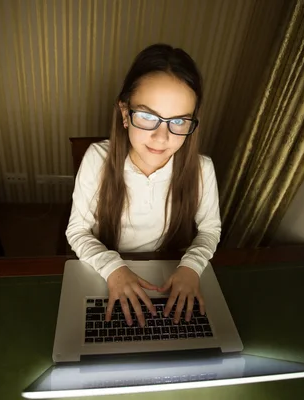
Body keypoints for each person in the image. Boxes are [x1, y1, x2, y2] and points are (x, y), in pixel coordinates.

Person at [66, 44, 221, 330]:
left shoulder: (202, 169)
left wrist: (191, 267)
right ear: (125, 113)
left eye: (178, 121)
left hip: (169, 274)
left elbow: (210, 229)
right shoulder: (97, 159)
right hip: (105, 270)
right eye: (148, 117)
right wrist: (113, 268)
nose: (162, 137)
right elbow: (77, 231)